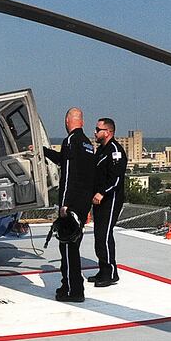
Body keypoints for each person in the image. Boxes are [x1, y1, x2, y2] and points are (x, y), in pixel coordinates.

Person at [43, 108, 97, 302]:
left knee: (67, 248)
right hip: (82, 204)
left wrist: (64, 204)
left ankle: (73, 289)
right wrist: (45, 152)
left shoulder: (70, 141)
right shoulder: (87, 144)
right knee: (73, 245)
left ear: (67, 121)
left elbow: (67, 176)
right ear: (81, 122)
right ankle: (69, 285)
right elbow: (66, 162)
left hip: (71, 203)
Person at [91, 117, 126, 287]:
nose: (95, 132)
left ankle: (111, 273)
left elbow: (116, 179)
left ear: (108, 132)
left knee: (104, 235)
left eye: (98, 129)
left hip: (110, 199)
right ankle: (103, 270)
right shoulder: (101, 150)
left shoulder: (115, 151)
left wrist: (101, 193)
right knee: (99, 235)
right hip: (99, 200)